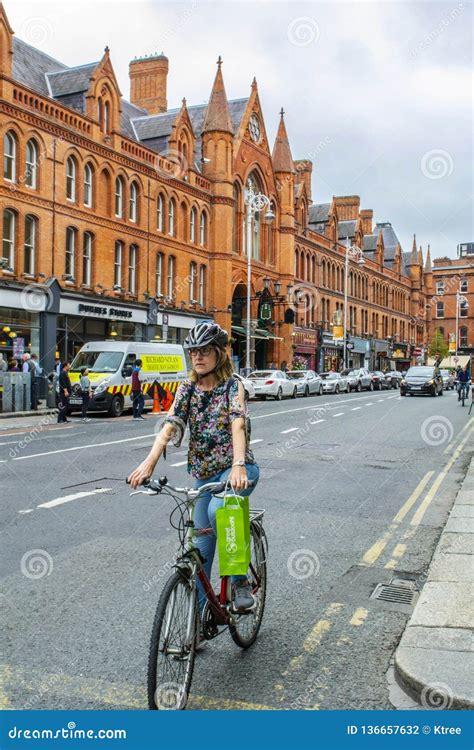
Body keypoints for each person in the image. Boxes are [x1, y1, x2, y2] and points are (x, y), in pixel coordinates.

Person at [128, 321, 259, 616]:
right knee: (200, 550)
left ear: (219, 354)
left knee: (219, 510)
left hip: (236, 470)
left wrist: (238, 465)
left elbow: (238, 422)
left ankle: (239, 582)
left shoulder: (231, 385)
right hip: (203, 474)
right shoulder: (188, 387)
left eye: (205, 351)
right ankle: (199, 622)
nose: (198, 357)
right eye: (193, 352)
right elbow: (171, 424)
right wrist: (148, 463)